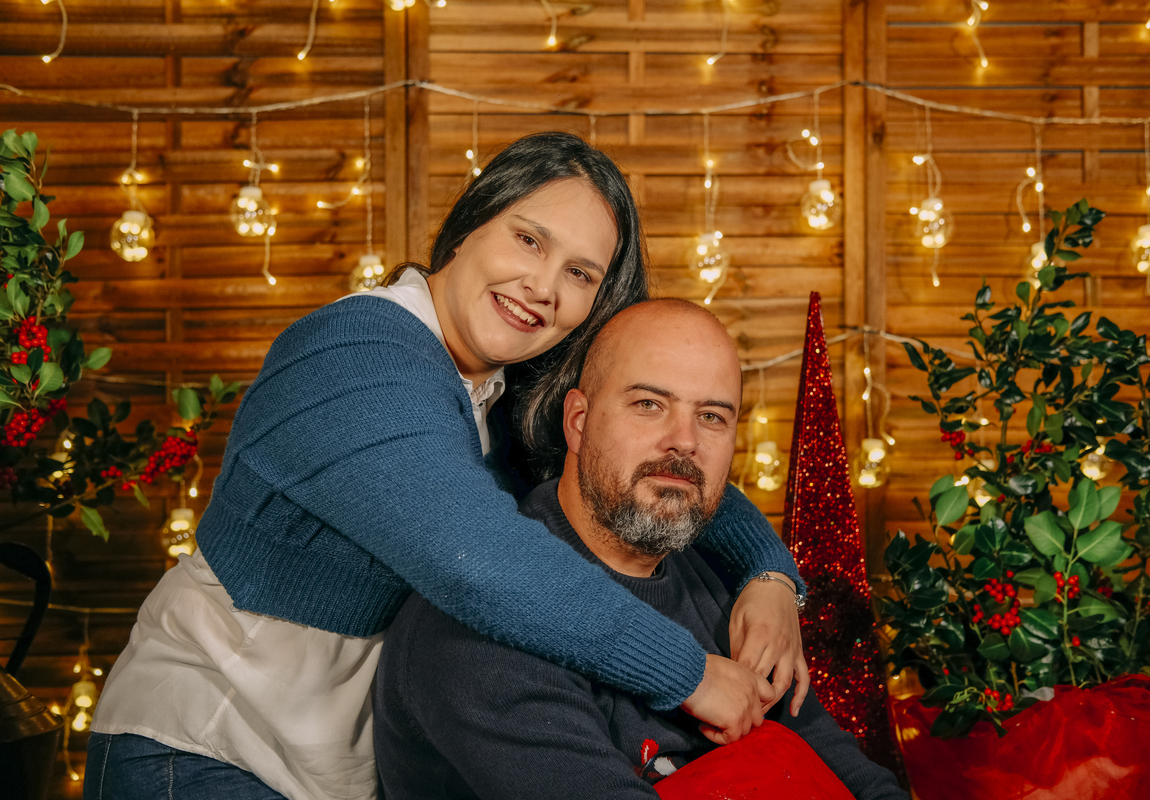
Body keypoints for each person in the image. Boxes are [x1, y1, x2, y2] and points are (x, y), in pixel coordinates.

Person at [84, 133, 808, 800]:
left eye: (579, 273)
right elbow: (480, 562)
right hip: (205, 746)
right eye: (529, 240)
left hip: (327, 770)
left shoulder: (502, 389)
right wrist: (688, 673)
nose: (543, 286)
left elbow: (663, 465)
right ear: (470, 223)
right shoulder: (358, 354)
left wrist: (769, 573)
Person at [373, 299, 906, 800]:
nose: (685, 441)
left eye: (712, 416)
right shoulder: (482, 633)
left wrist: (773, 578)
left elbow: (844, 767)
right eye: (649, 404)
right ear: (578, 422)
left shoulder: (725, 581)